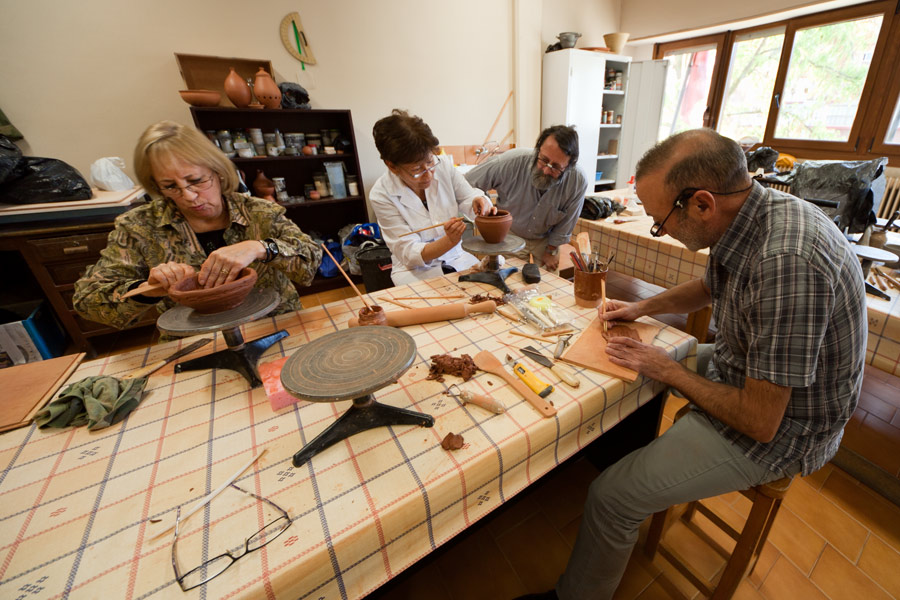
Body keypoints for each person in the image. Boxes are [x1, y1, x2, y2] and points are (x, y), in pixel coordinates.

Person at [523, 129, 867, 600]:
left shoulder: (786, 261)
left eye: (660, 222)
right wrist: (640, 309)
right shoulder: (747, 213)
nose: (660, 230)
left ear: (702, 203)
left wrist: (671, 371)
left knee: (611, 497)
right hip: (743, 369)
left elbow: (760, 420)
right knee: (638, 361)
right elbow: (709, 287)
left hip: (788, 426)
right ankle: (620, 451)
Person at [74, 120, 322, 330]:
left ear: (218, 172)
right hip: (195, 339)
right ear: (155, 185)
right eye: (170, 186)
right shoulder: (139, 227)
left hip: (274, 325)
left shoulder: (260, 213)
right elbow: (87, 300)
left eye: (196, 180)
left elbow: (311, 262)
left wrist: (261, 247)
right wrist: (146, 289)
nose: (189, 196)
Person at [369, 109, 495, 285]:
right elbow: (408, 252)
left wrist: (478, 201)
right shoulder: (381, 194)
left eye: (429, 162)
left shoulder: (443, 167)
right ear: (392, 166)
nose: (428, 175)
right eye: (416, 170)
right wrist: (448, 241)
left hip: (457, 258)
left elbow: (468, 197)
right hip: (414, 270)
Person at [464, 125, 587, 271]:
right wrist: (482, 199)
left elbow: (568, 221)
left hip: (546, 241)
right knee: (505, 281)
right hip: (508, 236)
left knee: (548, 283)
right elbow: (466, 184)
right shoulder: (510, 162)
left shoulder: (577, 181)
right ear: (538, 150)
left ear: (569, 166)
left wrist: (551, 250)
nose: (546, 170)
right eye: (544, 160)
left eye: (555, 167)